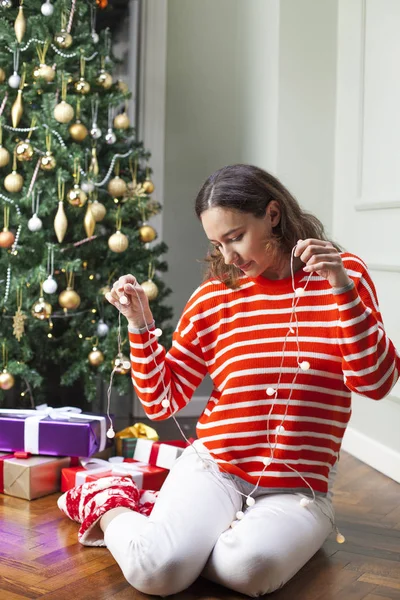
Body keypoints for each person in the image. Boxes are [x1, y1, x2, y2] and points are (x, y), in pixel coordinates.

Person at [58, 164, 400, 597]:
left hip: (298, 486)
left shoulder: (342, 274)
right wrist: (140, 326)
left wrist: (343, 290)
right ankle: (109, 503)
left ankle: (209, 543)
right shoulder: (216, 294)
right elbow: (163, 402)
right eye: (217, 244)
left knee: (247, 569)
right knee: (155, 571)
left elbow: (376, 383)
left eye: (235, 237)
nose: (228, 257)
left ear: (272, 215)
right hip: (214, 466)